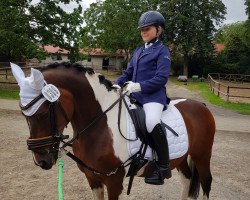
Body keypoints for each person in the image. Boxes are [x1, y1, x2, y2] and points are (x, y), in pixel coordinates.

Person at [113, 11, 172, 185]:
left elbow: (162, 78)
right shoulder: (138, 51)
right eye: (141, 29)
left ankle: (163, 167)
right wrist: (117, 84)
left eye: (147, 29)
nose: (143, 32)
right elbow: (128, 72)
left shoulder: (162, 51)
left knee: (152, 122)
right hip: (135, 96)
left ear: (158, 30)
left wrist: (139, 86)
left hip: (153, 97)